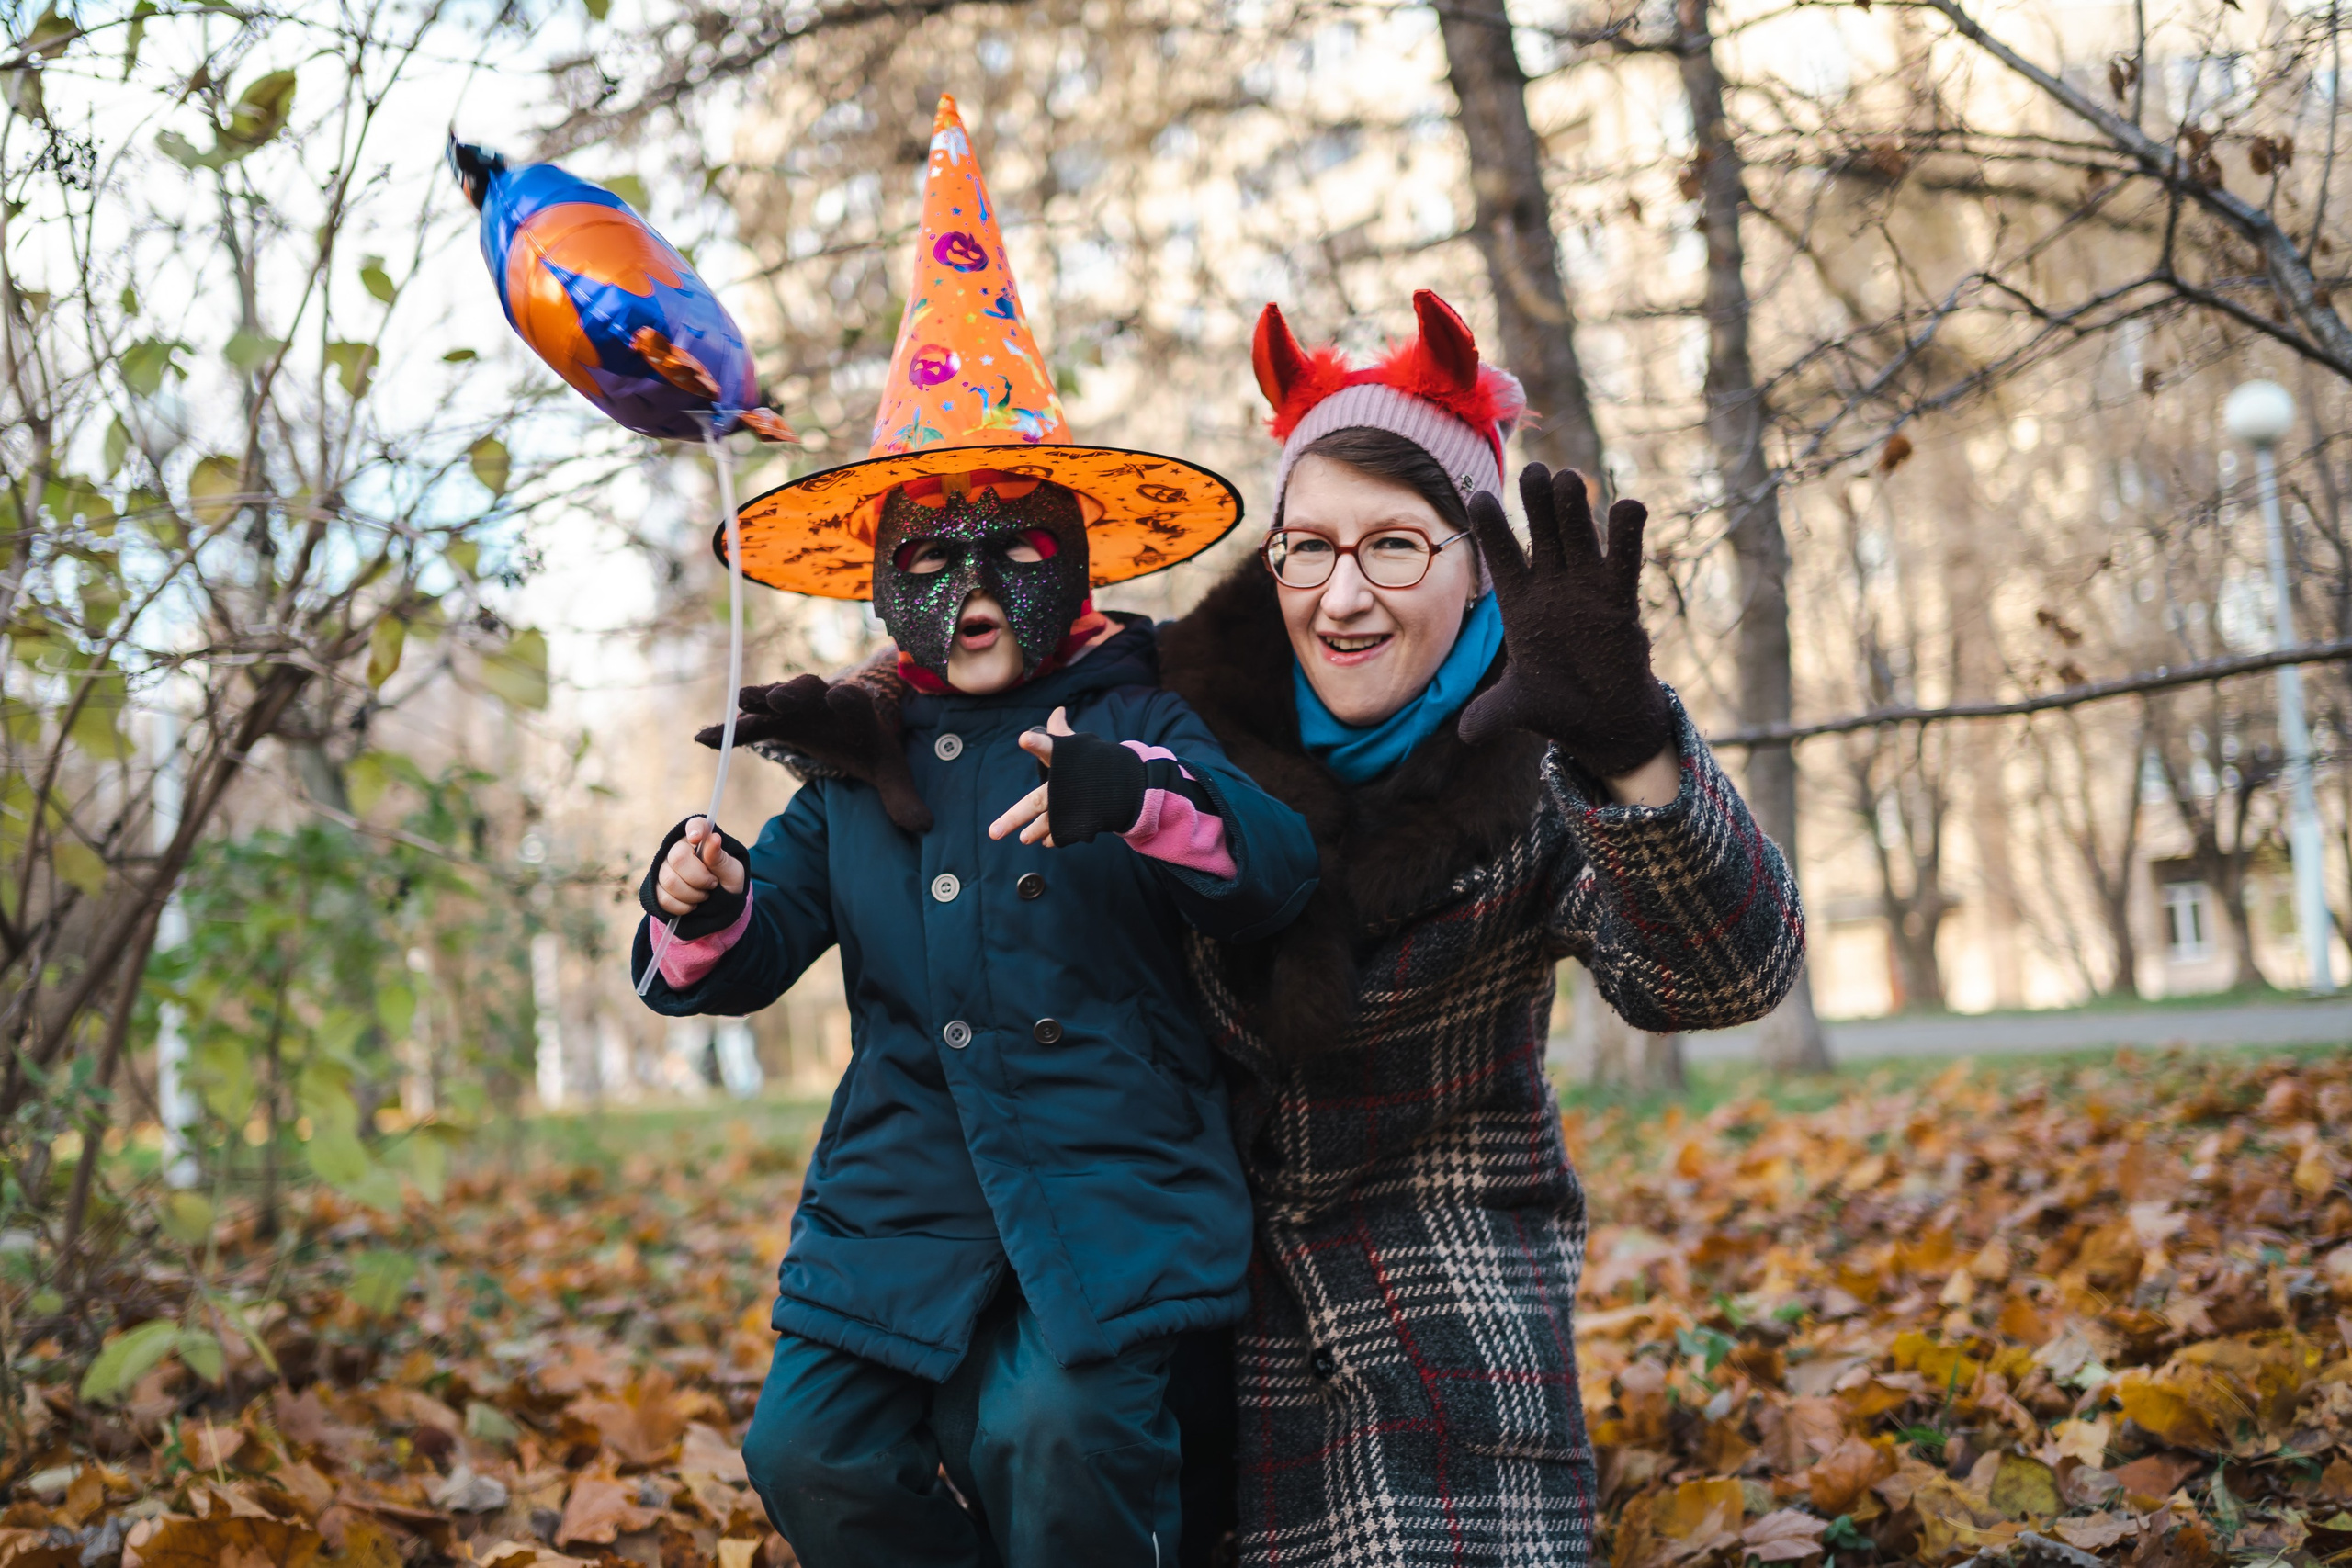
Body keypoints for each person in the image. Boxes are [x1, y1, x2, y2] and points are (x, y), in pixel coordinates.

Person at [634, 96, 1318, 1568]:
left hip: (1108, 1180)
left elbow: (1270, 867)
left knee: (1053, 1438)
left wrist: (1131, 795)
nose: (979, 584)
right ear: (887, 587)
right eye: (935, 561)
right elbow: (759, 947)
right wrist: (702, 907)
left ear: (1069, 562)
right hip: (906, 1204)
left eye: (1016, 551)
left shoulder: (1139, 709)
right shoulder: (855, 762)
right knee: (805, 1449)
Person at [1154, 290, 1807, 1566]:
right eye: (1309, 547)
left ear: (1472, 559)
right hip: (1183, 1285)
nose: (1341, 598)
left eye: (1393, 547)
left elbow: (1729, 974)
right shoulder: (1176, 728)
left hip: (1444, 1291)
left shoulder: (1539, 758)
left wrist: (1631, 752)